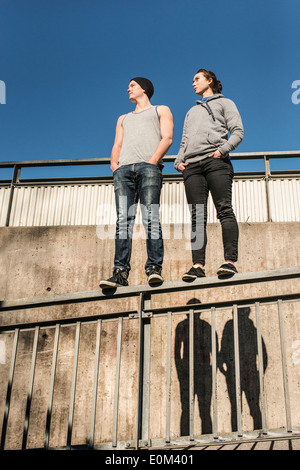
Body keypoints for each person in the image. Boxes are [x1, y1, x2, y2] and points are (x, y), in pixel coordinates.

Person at [100, 77, 174, 289]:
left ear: (144, 89)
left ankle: (153, 269)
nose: (128, 89)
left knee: (150, 217)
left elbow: (167, 138)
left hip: (149, 168)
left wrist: (151, 162)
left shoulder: (161, 109)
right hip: (123, 171)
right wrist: (115, 165)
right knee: (123, 221)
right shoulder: (123, 118)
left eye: (132, 85)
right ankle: (120, 273)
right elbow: (118, 142)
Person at [174, 69, 244, 280]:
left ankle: (229, 262)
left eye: (197, 79)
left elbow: (238, 131)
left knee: (224, 209)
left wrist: (222, 150)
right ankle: (197, 266)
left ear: (209, 80)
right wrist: (178, 160)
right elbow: (184, 141)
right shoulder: (190, 112)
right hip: (192, 167)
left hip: (216, 163)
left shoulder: (225, 103)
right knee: (197, 217)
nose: (193, 83)